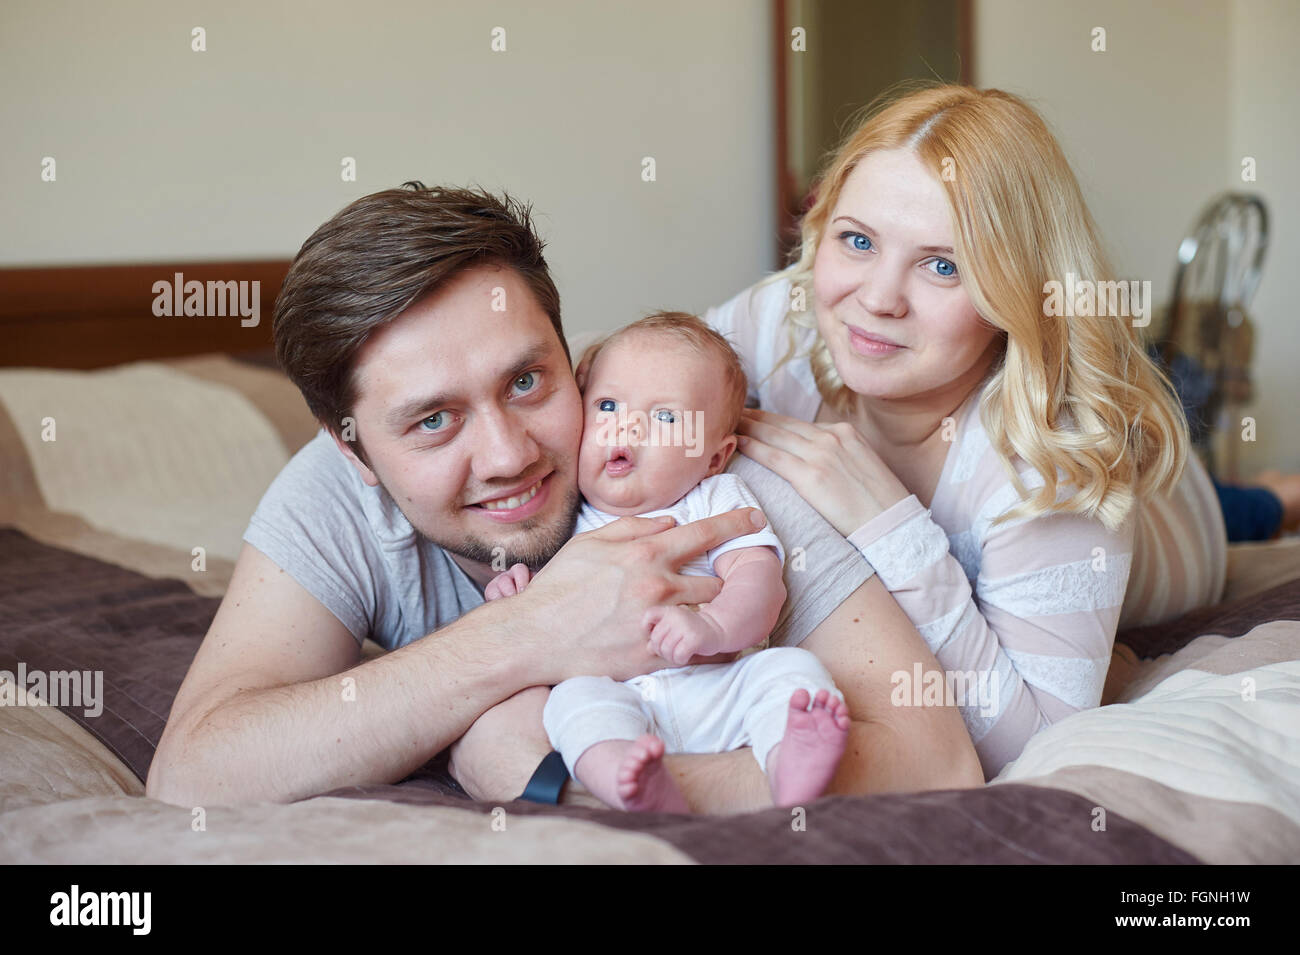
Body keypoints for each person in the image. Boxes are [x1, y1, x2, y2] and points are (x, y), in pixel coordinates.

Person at [145, 183, 982, 810]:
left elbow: (938, 759)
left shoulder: (683, 453)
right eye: (434, 420)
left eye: (526, 380)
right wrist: (524, 635)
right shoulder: (334, 497)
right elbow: (192, 772)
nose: (509, 454)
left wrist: (555, 779)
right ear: (354, 449)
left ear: (569, 353)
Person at [713, 84, 1229, 780]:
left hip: (1178, 517)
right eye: (858, 239)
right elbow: (631, 381)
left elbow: (1037, 744)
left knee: (1240, 502)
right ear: (823, 226)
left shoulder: (1052, 464)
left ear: (1015, 290)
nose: (877, 298)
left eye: (943, 265)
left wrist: (889, 525)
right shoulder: (787, 318)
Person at [485, 312, 850, 812]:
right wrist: (514, 599)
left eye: (665, 417)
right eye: (608, 405)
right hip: (621, 699)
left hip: (719, 687)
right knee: (574, 705)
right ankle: (627, 780)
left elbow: (760, 581)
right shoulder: (565, 512)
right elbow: (544, 615)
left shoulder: (715, 497)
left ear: (714, 457)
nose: (626, 427)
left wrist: (716, 630)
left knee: (789, 669)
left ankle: (790, 766)